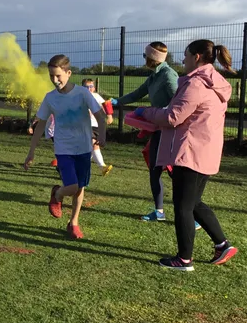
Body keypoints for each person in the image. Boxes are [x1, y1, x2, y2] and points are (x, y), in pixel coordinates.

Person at [133, 40, 239, 271]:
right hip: (205, 151)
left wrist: (146, 113)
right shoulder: (214, 82)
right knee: (194, 202)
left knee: (183, 207)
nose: (183, 60)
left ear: (197, 57)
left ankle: (184, 259)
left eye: (186, 55)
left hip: (190, 152)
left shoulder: (197, 85)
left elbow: (173, 116)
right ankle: (222, 245)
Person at [24, 55, 107, 240]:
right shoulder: (50, 98)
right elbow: (40, 125)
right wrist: (31, 152)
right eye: (51, 76)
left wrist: (102, 134)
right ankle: (58, 193)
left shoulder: (83, 94)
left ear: (68, 73)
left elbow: (100, 116)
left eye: (58, 76)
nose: (55, 80)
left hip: (84, 148)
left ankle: (74, 223)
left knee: (80, 187)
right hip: (63, 149)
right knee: (72, 185)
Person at [112, 42, 187, 223]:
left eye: (145, 56)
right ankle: (159, 211)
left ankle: (192, 214)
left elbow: (180, 102)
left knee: (174, 173)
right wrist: (117, 102)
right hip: (157, 131)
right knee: (154, 171)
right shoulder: (154, 76)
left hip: (169, 132)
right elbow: (138, 93)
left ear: (152, 58)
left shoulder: (168, 76)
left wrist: (155, 113)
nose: (143, 58)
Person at [81, 79, 113, 176]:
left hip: (96, 125)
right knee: (94, 143)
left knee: (92, 146)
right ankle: (102, 166)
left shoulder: (96, 96)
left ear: (94, 88)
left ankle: (82, 166)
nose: (89, 89)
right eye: (87, 87)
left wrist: (109, 115)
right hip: (84, 125)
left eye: (91, 86)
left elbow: (106, 104)